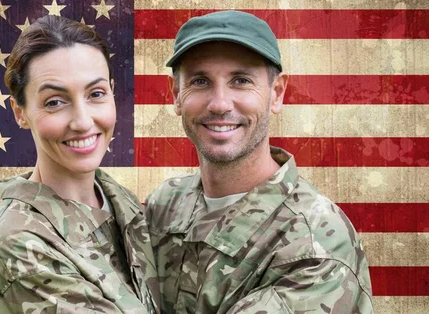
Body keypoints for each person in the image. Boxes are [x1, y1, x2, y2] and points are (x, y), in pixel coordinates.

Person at [145, 10, 374, 313]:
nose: (220, 103)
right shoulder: (165, 206)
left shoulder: (313, 241)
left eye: (241, 80)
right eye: (200, 81)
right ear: (176, 95)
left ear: (276, 93)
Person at [0, 16, 159, 313]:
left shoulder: (123, 203)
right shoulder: (17, 242)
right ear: (20, 112)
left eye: (96, 94)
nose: (83, 122)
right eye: (55, 101)